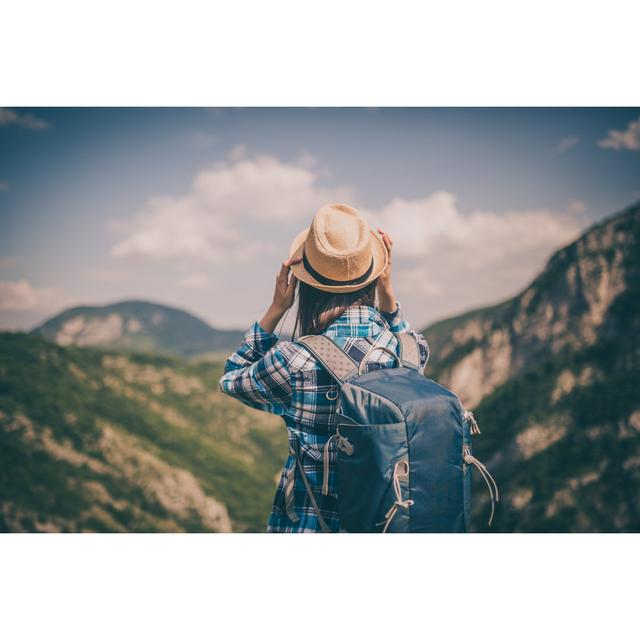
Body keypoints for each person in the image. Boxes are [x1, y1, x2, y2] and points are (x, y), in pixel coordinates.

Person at [218, 203, 429, 532]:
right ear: (373, 275)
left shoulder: (295, 360)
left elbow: (231, 379)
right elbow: (405, 337)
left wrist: (276, 308)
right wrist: (388, 293)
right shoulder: (410, 351)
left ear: (307, 286)